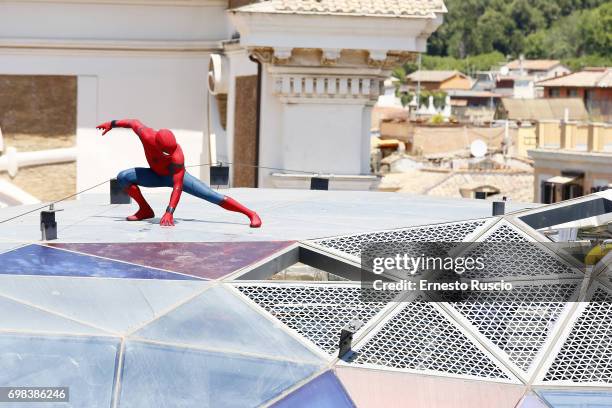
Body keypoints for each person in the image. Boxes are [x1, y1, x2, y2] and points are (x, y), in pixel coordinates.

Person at [96, 119, 261, 228]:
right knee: (123, 177)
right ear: (157, 144)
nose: (170, 153)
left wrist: (169, 212)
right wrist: (112, 123)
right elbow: (132, 122)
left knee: (212, 196)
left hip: (174, 178)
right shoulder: (147, 135)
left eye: (171, 150)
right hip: (155, 175)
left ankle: (250, 213)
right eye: (166, 151)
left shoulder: (177, 155)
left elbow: (177, 186)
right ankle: (145, 210)